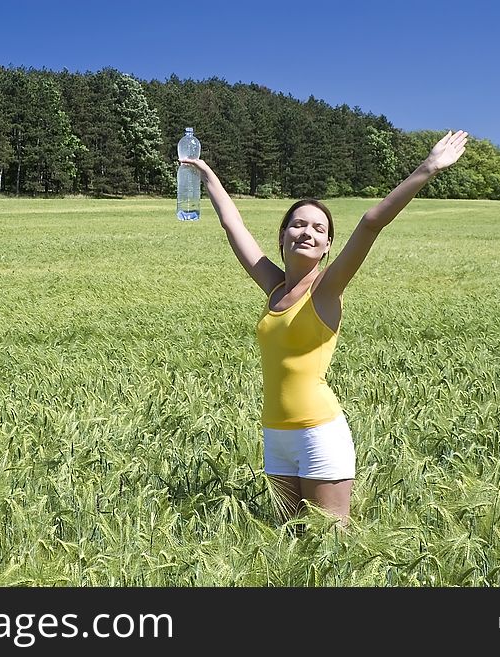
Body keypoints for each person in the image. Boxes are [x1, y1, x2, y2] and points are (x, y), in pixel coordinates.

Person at [180, 130, 469, 523]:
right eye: (298, 224)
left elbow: (370, 223)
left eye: (318, 228)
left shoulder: (326, 290)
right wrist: (204, 174)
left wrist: (428, 168)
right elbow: (234, 227)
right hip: (275, 437)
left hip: (319, 434)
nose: (307, 232)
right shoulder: (274, 285)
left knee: (330, 549)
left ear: (328, 245)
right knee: (288, 544)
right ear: (283, 236)